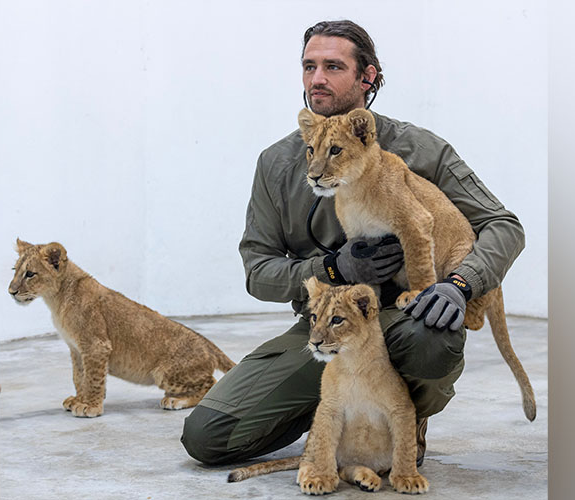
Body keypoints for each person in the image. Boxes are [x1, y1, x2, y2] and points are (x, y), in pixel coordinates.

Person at [181, 19, 524, 467]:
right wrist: (332, 269)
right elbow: (258, 273)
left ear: (368, 77)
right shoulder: (277, 163)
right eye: (308, 66)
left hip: (403, 317)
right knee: (207, 437)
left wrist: (460, 284)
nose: (316, 79)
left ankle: (396, 427)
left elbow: (502, 225)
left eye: (332, 67)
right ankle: (337, 418)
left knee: (431, 338)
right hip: (323, 326)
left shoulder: (420, 148)